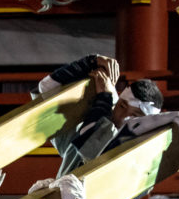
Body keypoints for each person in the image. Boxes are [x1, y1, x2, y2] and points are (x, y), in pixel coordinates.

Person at [34, 54, 165, 178]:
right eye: (122, 107)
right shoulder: (101, 113)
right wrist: (90, 62)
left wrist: (104, 98)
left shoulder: (139, 151)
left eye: (135, 117)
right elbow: (46, 88)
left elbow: (92, 149)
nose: (124, 118)